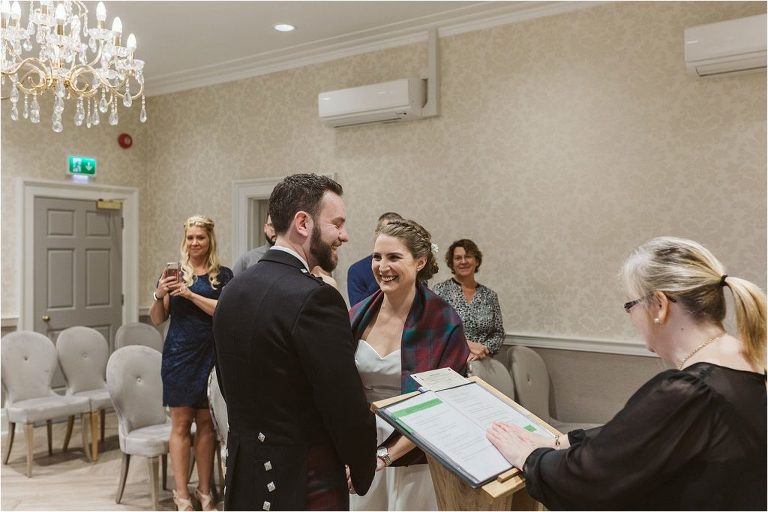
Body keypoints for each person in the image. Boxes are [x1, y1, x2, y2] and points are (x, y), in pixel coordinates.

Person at [486, 236, 767, 510]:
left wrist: (529, 457)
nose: (631, 317)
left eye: (630, 305)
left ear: (659, 305)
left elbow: (590, 482)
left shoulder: (689, 390)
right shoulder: (748, 362)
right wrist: (558, 441)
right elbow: (638, 435)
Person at [213, 173, 377, 511]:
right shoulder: (316, 298)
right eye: (337, 223)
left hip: (245, 472)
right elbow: (343, 402)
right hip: (302, 476)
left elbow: (228, 387)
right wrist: (363, 468)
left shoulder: (234, 289)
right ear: (303, 223)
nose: (344, 235)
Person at [348, 219, 470, 511]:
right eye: (377, 257)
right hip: (360, 449)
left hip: (416, 453)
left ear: (420, 262)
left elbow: (440, 404)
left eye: (394, 257)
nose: (382, 266)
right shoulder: (357, 314)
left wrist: (386, 455)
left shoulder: (443, 322)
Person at [150, 215, 233, 511]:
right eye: (190, 237)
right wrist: (160, 293)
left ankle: (206, 491)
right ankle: (182, 494)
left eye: (200, 237)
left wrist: (189, 293)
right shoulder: (173, 274)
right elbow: (158, 319)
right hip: (179, 356)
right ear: (184, 240)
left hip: (212, 356)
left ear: (210, 239)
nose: (195, 242)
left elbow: (224, 311)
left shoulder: (223, 276)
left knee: (207, 425)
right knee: (181, 424)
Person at [433, 239, 505, 361]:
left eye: (468, 257)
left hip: (483, 363)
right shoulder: (439, 291)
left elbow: (498, 333)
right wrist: (467, 346)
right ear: (451, 263)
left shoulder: (490, 296)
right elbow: (435, 329)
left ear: (477, 261)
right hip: (449, 360)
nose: (463, 261)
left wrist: (483, 350)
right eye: (458, 258)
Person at [347, 212, 402, 306]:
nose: (392, 239)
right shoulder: (356, 270)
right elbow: (356, 311)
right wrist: (381, 277)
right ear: (377, 235)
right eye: (387, 232)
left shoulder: (407, 265)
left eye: (397, 233)